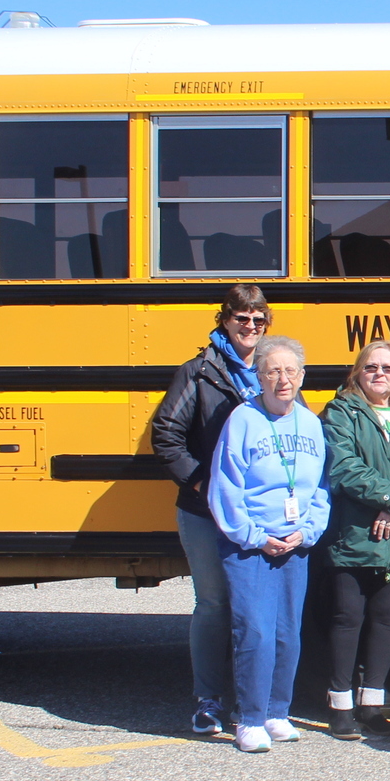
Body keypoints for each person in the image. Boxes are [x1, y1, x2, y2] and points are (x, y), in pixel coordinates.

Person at [151, 284, 272, 736]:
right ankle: (207, 700)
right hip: (205, 511)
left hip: (257, 512)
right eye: (241, 317)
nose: (250, 326)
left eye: (259, 319)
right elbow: (166, 432)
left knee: (251, 608)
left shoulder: (271, 371)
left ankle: (248, 699)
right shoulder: (199, 372)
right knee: (214, 604)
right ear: (224, 320)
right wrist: (201, 481)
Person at [206, 335, 330, 754]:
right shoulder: (243, 419)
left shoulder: (310, 423)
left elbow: (321, 489)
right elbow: (226, 488)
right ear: (258, 376)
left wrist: (307, 531)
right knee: (254, 632)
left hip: (294, 545)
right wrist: (256, 537)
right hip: (251, 547)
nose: (282, 379)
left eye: (290, 370)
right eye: (272, 371)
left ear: (302, 376)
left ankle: (278, 712)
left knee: (287, 634)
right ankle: (250, 718)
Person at [320, 340, 390, 740]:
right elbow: (342, 465)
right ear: (357, 373)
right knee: (348, 619)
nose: (379, 374)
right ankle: (339, 707)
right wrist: (388, 499)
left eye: (388, 368)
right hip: (354, 533)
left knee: (387, 620)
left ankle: (371, 705)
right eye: (371, 368)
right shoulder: (341, 412)